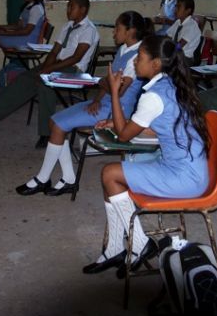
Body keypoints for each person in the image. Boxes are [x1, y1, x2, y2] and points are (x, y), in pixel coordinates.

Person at [82, 35, 210, 276]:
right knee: (117, 176)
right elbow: (158, 125)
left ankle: (141, 245)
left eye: (140, 58)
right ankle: (114, 250)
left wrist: (115, 93)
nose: (135, 62)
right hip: (190, 169)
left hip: (184, 177)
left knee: (110, 173)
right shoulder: (170, 83)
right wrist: (119, 121)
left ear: (155, 64)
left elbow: (123, 136)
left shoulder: (153, 95)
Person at [15, 11, 152, 196]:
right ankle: (67, 179)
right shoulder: (122, 50)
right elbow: (109, 82)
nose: (114, 33)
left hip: (116, 113)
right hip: (104, 104)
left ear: (130, 31)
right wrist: (96, 98)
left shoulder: (137, 57)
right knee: (54, 120)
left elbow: (118, 90)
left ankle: (43, 179)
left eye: (117, 29)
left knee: (57, 124)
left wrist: (102, 82)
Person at [0, 0, 99, 147]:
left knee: (45, 86)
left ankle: (47, 134)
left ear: (83, 10)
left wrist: (48, 70)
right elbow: (54, 51)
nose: (68, 9)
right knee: (24, 79)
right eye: (68, 6)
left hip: (74, 70)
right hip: (58, 65)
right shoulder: (67, 26)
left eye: (72, 6)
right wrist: (45, 67)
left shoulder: (88, 30)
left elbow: (76, 58)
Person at [164, 0, 201, 66]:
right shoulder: (178, 22)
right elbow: (167, 36)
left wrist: (167, 51)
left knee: (164, 62)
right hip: (177, 55)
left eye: (179, 7)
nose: (175, 9)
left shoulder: (191, 26)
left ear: (188, 11)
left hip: (186, 58)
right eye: (175, 6)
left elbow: (179, 45)